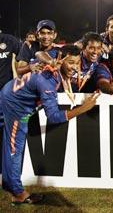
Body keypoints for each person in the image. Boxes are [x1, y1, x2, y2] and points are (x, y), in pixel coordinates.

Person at [1, 44, 99, 205]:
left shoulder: (56, 62)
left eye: (77, 63)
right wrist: (83, 109)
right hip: (16, 105)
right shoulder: (47, 81)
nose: (74, 67)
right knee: (15, 148)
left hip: (11, 93)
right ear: (61, 61)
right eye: (71, 62)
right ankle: (17, 193)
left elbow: (41, 54)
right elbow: (53, 116)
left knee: (11, 145)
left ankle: (9, 184)